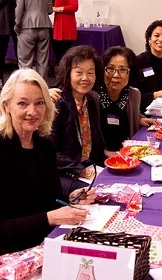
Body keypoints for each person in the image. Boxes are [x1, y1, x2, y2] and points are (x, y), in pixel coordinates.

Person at [0, 69, 96, 280]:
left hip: (33, 235)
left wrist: (70, 198)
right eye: (22, 103)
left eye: (39, 103)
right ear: (7, 106)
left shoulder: (43, 145)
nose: (32, 111)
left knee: (88, 262)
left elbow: (47, 197)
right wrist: (51, 217)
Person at [50, 46, 161, 154]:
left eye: (122, 69)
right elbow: (67, 89)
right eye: (111, 68)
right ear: (103, 70)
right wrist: (46, 92)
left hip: (124, 154)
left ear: (130, 72)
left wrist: (138, 118)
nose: (116, 75)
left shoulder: (134, 95)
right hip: (97, 158)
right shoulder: (91, 95)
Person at [50, 45, 106, 195]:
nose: (85, 78)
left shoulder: (91, 101)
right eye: (79, 72)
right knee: (97, 194)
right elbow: (50, 152)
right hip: (61, 173)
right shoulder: (57, 103)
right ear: (68, 74)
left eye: (90, 73)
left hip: (88, 166)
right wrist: (80, 170)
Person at [14, 0, 53, 79]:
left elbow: (19, 10)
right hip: (44, 26)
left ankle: (26, 86)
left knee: (25, 61)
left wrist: (17, 24)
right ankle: (42, 86)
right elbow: (50, 10)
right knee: (43, 62)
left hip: (26, 26)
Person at [0, 0, 18, 90]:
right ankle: (0, 79)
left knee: (20, 52)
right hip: (2, 24)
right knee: (1, 53)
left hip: (17, 24)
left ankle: (20, 79)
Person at [51, 0, 78, 66]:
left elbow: (74, 6)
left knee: (65, 53)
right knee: (58, 53)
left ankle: (65, 71)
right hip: (57, 25)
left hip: (66, 26)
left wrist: (57, 9)